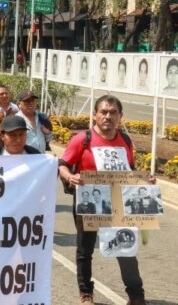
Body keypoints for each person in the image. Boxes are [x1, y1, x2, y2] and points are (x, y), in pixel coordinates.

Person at [58, 94, 151, 305]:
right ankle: (86, 293)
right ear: (95, 115)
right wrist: (69, 176)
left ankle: (136, 296)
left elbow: (130, 171)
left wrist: (145, 181)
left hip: (118, 202)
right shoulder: (83, 139)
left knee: (125, 247)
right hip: (89, 200)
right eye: (103, 112)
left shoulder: (125, 140)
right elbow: (62, 164)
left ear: (120, 116)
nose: (108, 116)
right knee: (85, 250)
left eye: (113, 113)